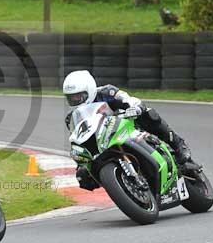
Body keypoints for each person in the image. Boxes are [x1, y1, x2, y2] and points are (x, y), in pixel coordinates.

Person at [62, 70, 197, 189]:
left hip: (127, 125)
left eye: (78, 96)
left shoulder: (107, 92)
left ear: (89, 89)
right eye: (71, 98)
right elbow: (78, 140)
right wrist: (81, 165)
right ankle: (119, 184)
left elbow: (130, 99)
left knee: (149, 114)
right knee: (84, 175)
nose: (75, 100)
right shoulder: (72, 118)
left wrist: (136, 107)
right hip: (103, 143)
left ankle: (178, 144)